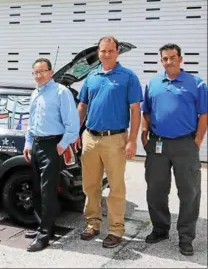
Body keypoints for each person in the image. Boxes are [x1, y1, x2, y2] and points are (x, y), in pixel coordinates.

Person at [75, 36, 143, 248]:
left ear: (117, 52)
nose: (106, 54)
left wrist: (132, 140)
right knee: (90, 185)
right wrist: (76, 132)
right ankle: (93, 223)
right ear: (98, 52)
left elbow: (135, 110)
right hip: (90, 138)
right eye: (102, 51)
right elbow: (82, 106)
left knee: (116, 187)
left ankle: (116, 229)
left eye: (110, 51)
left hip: (115, 139)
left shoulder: (128, 77)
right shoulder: (92, 76)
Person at [141, 43, 207, 256]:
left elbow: (204, 114)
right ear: (161, 61)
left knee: (189, 192)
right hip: (158, 144)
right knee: (155, 190)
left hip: (185, 144)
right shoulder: (153, 84)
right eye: (165, 58)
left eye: (172, 57)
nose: (168, 61)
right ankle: (160, 229)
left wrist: (197, 140)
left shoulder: (196, 84)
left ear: (180, 59)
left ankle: (186, 237)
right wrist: (145, 133)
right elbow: (147, 112)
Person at [23, 58, 79, 252]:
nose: (39, 76)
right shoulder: (34, 93)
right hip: (37, 145)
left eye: (42, 72)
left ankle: (45, 235)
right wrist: (28, 143)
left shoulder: (61, 92)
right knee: (38, 189)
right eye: (35, 73)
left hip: (52, 145)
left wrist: (62, 145)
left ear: (51, 71)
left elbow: (73, 124)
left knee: (48, 191)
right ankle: (43, 226)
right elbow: (31, 122)